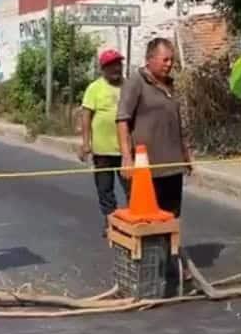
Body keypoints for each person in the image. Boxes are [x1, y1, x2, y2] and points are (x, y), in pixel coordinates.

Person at [116, 38, 193, 218]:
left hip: (173, 166)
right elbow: (122, 120)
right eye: (165, 59)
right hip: (147, 168)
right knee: (147, 219)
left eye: (171, 60)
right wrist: (126, 158)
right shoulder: (136, 83)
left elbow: (177, 121)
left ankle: (170, 247)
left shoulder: (169, 85)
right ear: (149, 59)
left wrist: (186, 154)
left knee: (171, 217)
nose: (169, 64)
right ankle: (149, 248)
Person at [80, 49, 129, 232]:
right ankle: (111, 222)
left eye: (118, 64)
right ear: (104, 68)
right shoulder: (95, 88)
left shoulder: (129, 86)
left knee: (133, 188)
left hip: (126, 150)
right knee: (105, 189)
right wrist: (86, 143)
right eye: (112, 65)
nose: (116, 68)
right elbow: (86, 116)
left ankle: (131, 221)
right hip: (102, 150)